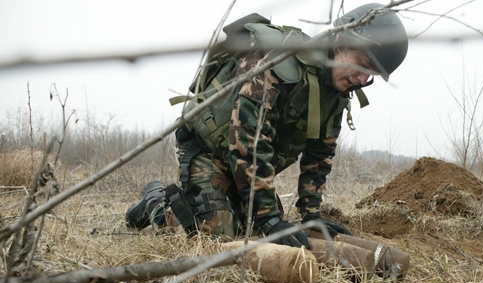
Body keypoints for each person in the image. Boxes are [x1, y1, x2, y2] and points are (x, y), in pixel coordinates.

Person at [125, 3, 408, 249]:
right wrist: (267, 216)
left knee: (260, 232)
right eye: (362, 66)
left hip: (246, 165)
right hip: (209, 151)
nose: (361, 80)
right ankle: (157, 203)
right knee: (217, 237)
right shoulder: (279, 63)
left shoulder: (335, 96)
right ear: (341, 43)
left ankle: (225, 204)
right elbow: (248, 140)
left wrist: (311, 215)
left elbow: (319, 156)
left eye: (370, 76)